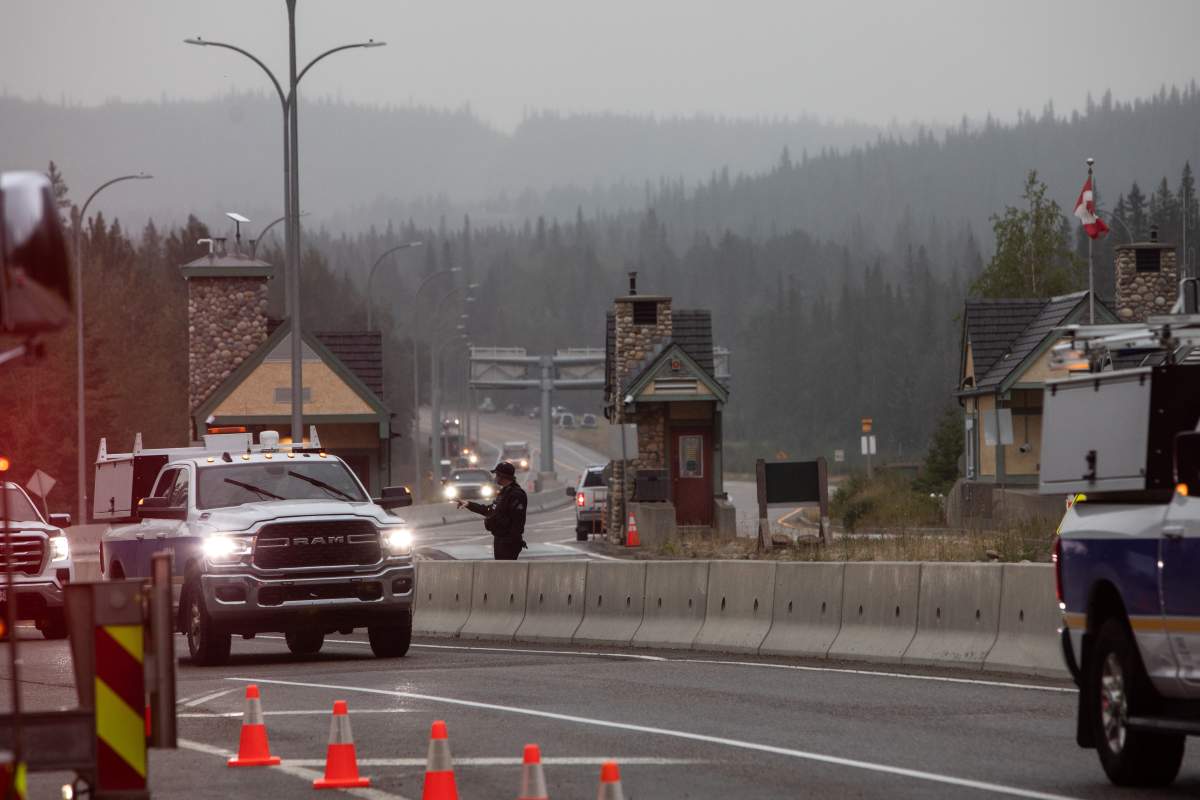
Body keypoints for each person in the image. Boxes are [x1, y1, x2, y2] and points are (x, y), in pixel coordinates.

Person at [457, 461, 528, 560]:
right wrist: (469, 504)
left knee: (506, 570)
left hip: (508, 542)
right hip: (500, 539)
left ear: (502, 476)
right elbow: (490, 510)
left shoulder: (516, 494)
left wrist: (512, 541)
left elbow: (518, 521)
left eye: (497, 475)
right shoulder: (504, 492)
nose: (495, 478)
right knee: (500, 570)